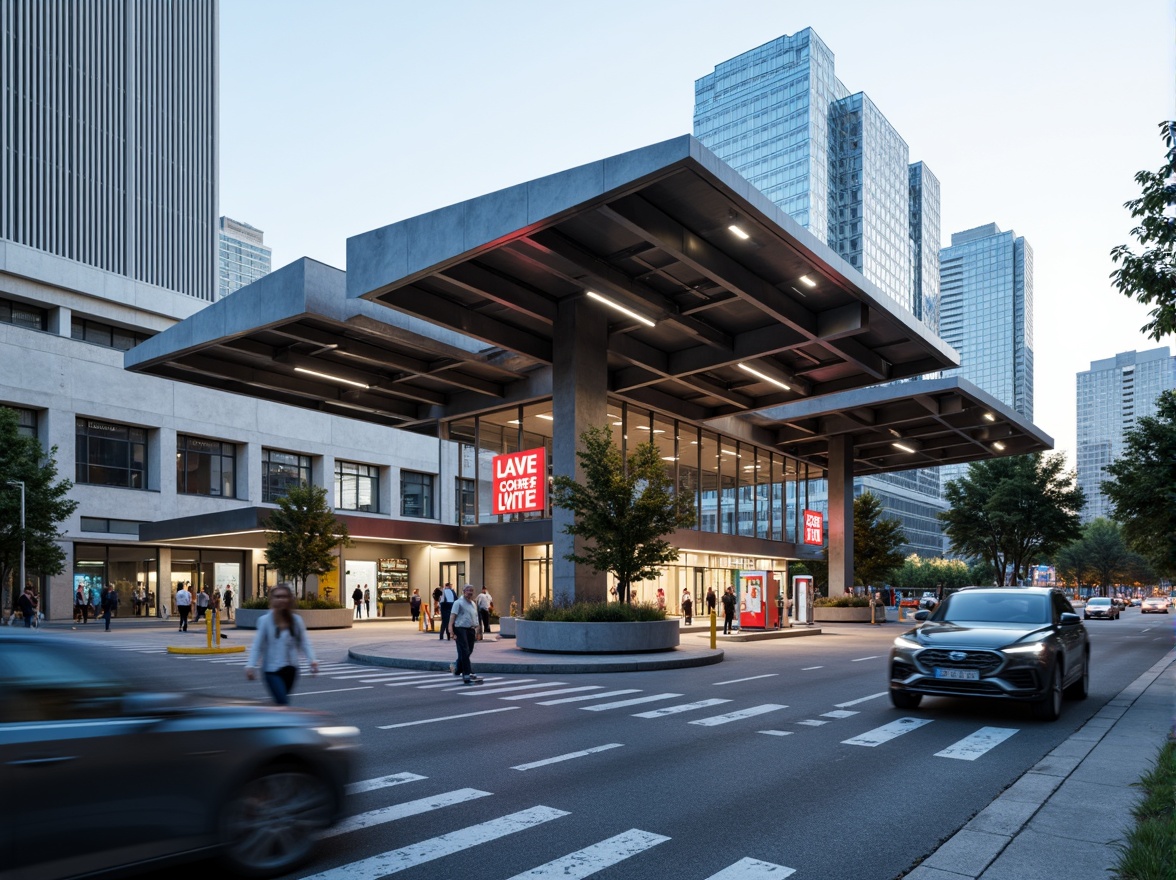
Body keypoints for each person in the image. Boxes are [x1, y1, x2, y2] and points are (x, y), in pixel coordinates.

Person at [245, 583, 318, 705]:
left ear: (290, 599)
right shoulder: (265, 621)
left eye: (284, 596)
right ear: (272, 600)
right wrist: (250, 665)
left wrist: (312, 660)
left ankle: (271, 713)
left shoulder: (296, 620)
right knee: (283, 702)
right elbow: (257, 646)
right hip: (271, 670)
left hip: (291, 670)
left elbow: (304, 642)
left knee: (281, 702)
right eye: (277, 597)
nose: (281, 599)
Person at [448, 584, 483, 685]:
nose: (470, 592)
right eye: (468, 590)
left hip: (470, 629)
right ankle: (466, 675)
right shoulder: (458, 603)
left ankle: (457, 667)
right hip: (460, 629)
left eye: (472, 590)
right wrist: (451, 631)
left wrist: (477, 630)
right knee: (465, 650)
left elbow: (475, 618)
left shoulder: (473, 603)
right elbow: (452, 618)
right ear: (463, 591)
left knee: (468, 651)